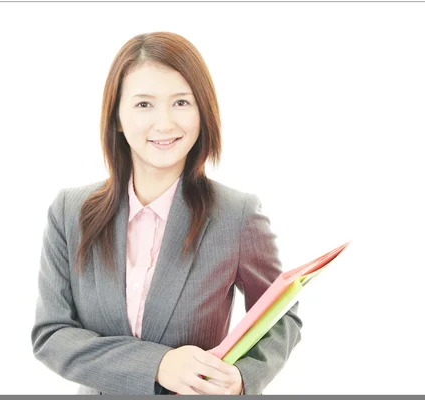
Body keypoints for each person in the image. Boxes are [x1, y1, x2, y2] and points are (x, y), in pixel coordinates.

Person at [31, 31, 302, 395]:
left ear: (203, 112)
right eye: (144, 104)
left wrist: (242, 378)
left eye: (181, 103)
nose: (165, 123)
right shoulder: (70, 211)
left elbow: (280, 317)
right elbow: (52, 335)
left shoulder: (237, 216)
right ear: (118, 118)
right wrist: (157, 365)